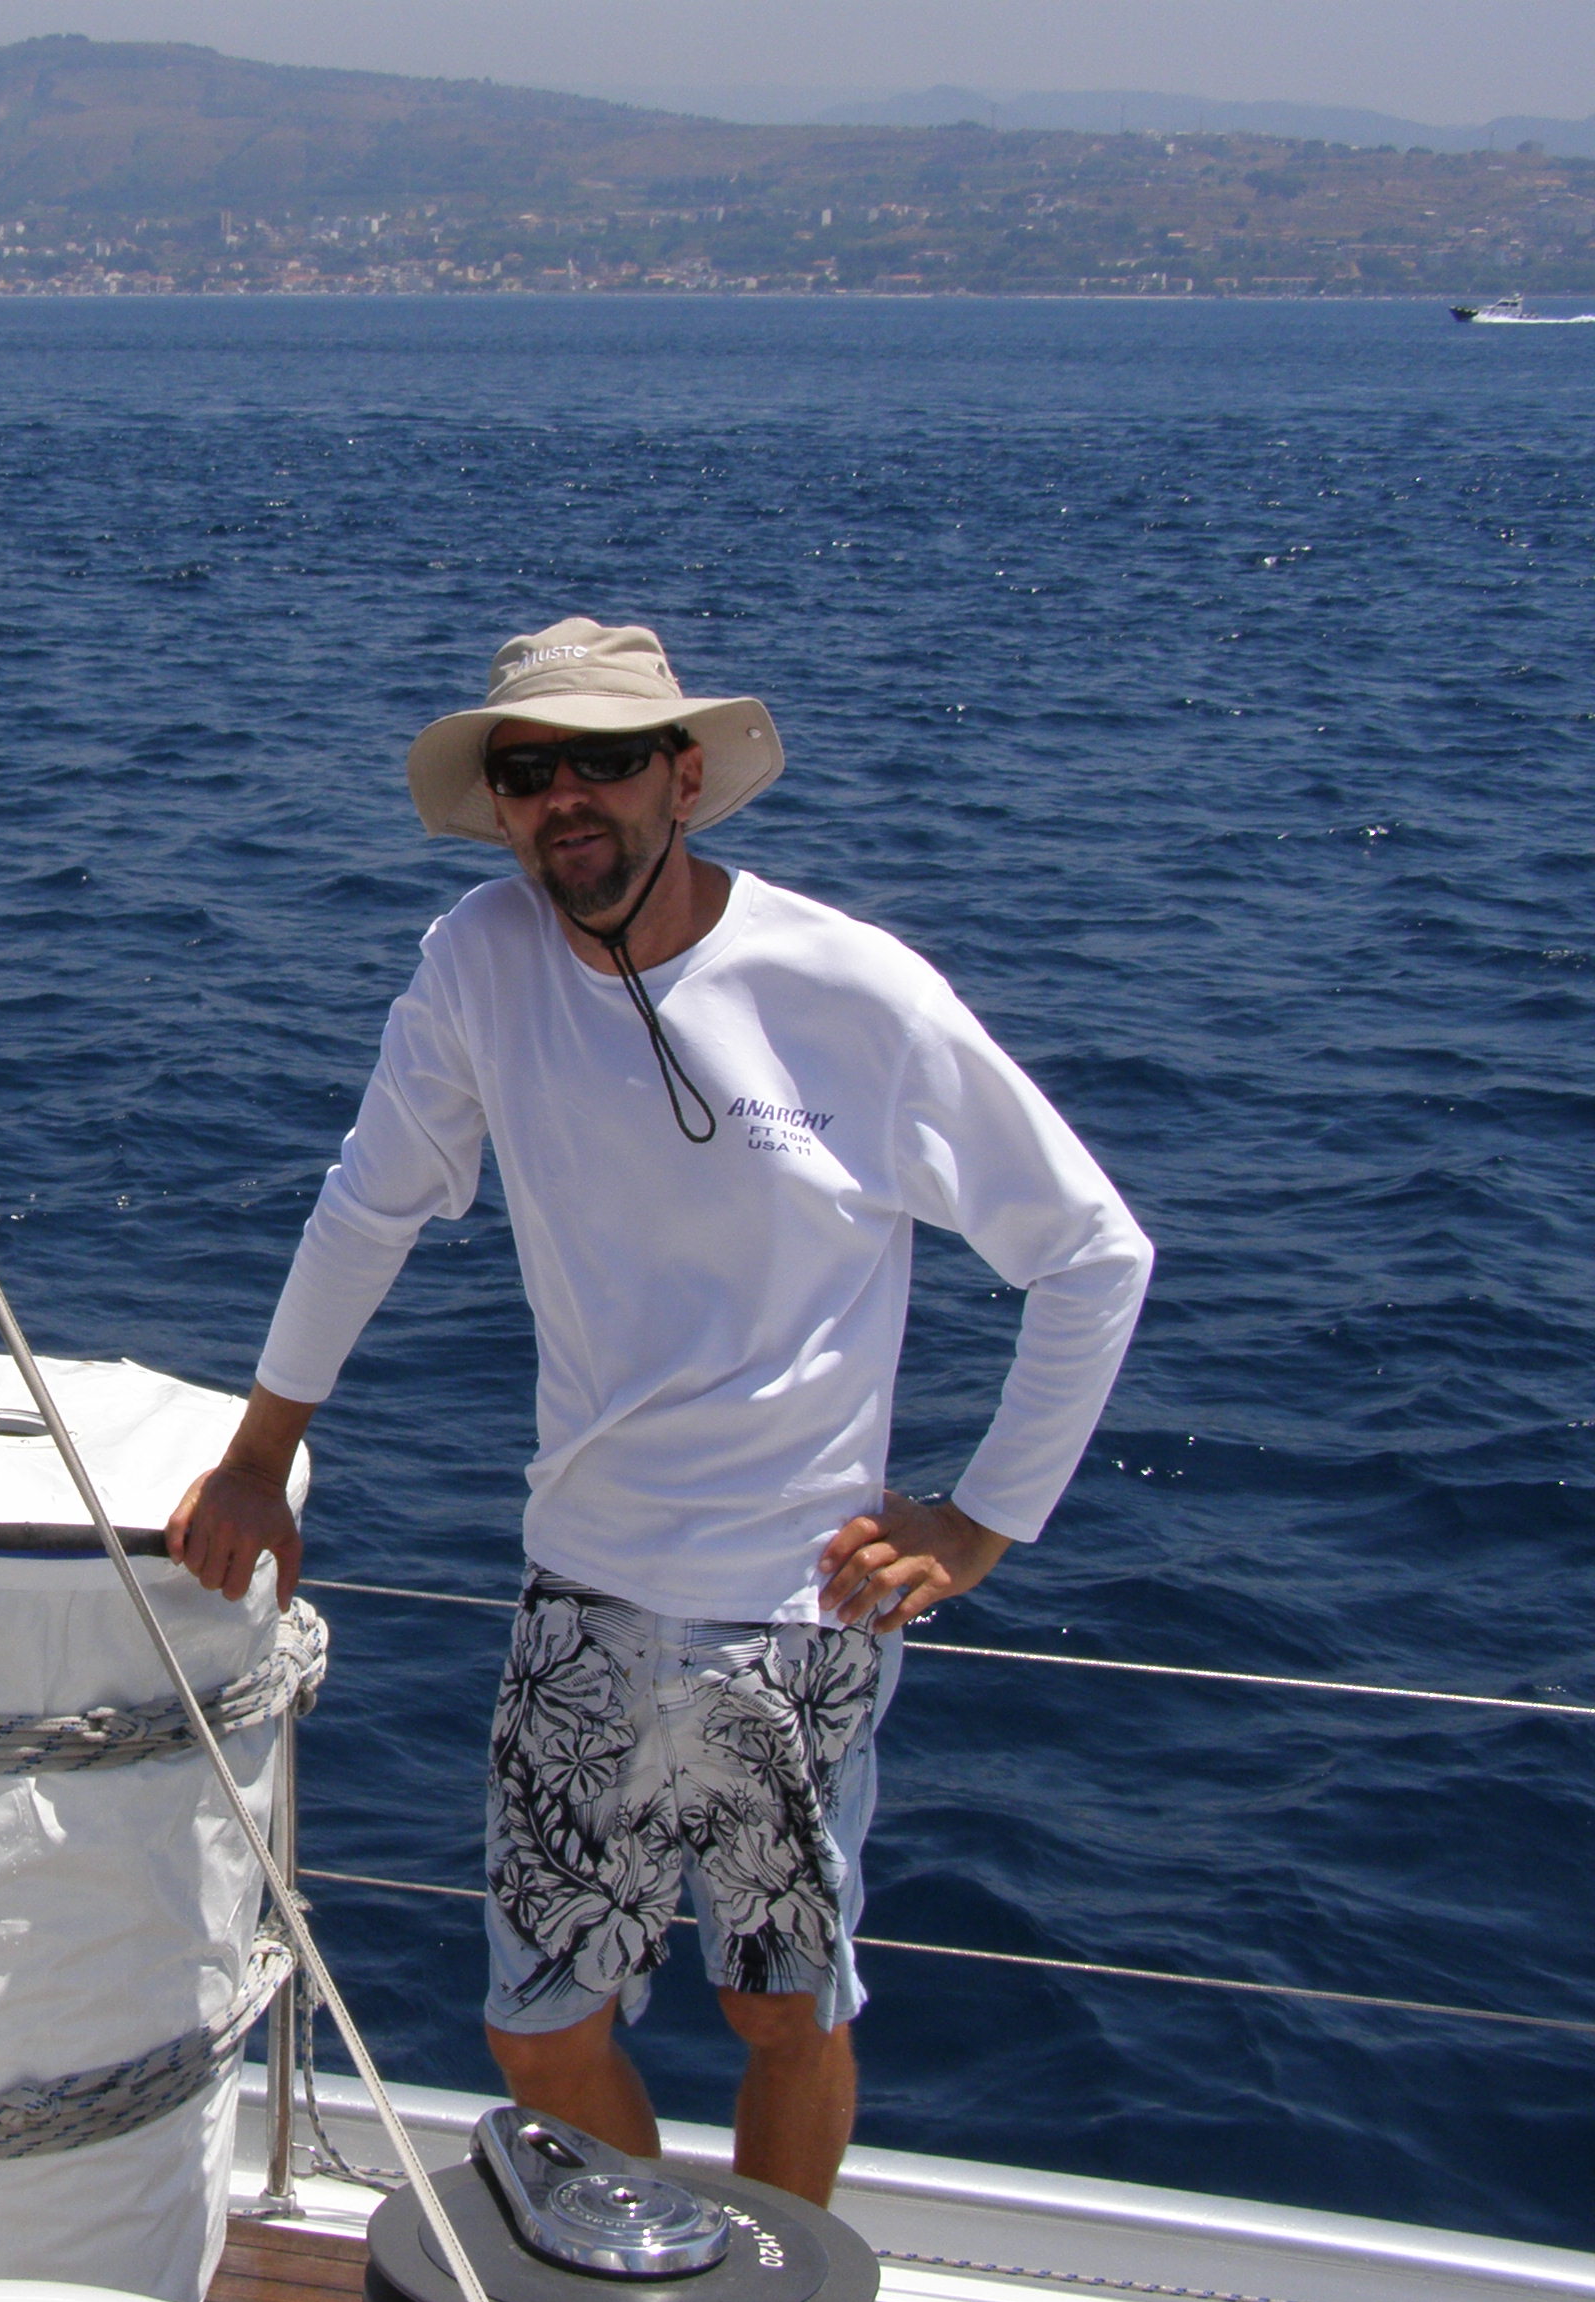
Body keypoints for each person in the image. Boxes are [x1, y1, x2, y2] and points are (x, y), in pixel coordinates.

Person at [165, 617, 1151, 2206]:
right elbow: (367, 1210)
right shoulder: (473, 964)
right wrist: (258, 1461)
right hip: (585, 1594)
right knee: (540, 2036)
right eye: (529, 771)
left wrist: (976, 1524)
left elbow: (1093, 1257)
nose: (569, 799)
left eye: (607, 762)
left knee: (781, 2009)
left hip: (798, 1612)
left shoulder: (852, 990)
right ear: (499, 807)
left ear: (683, 778)